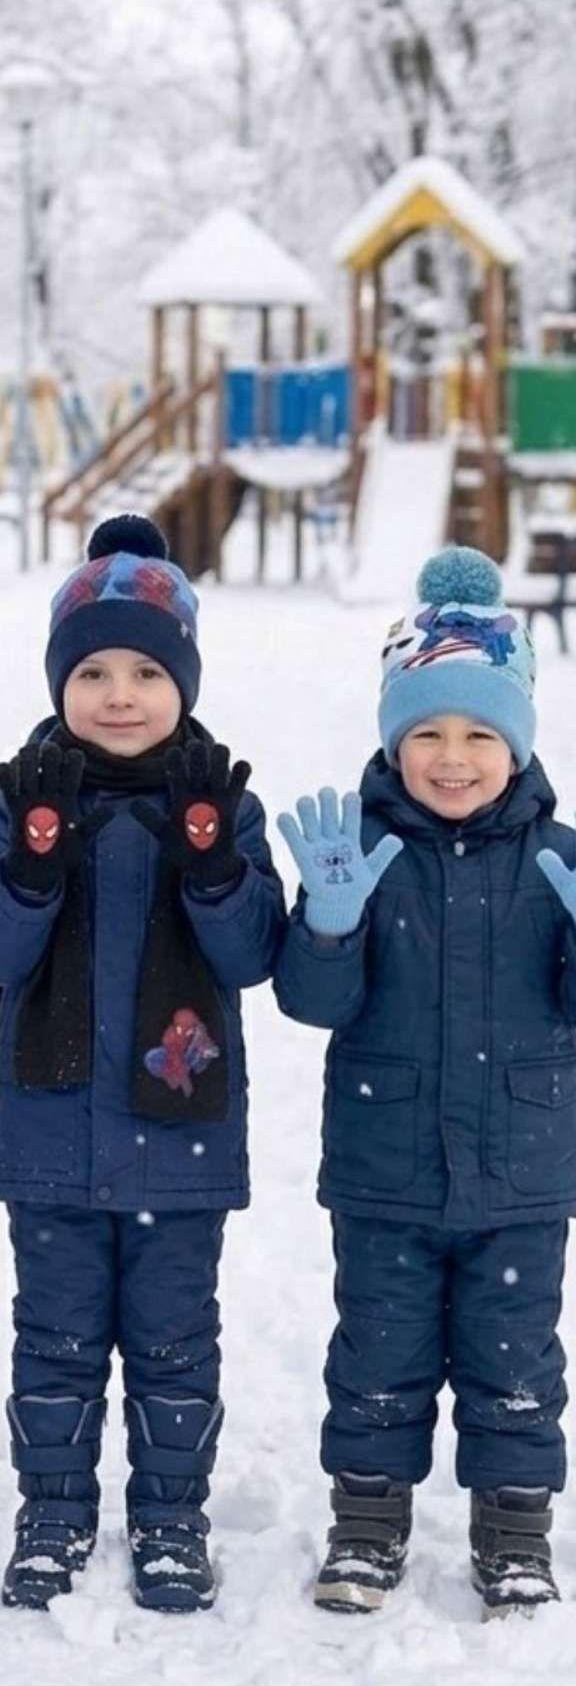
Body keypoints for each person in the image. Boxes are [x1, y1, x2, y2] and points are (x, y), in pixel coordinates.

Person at [0, 513, 283, 1613]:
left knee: (173, 1342)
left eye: (146, 669)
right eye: (91, 669)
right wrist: (36, 857)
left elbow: (250, 953)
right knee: (52, 1339)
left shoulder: (218, 794)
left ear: (182, 680)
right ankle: (50, 1515)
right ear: (60, 679)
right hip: (50, 1129)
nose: (117, 694)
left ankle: (169, 1519)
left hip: (179, 1130)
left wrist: (213, 857)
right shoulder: (22, 790)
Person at [276, 546, 574, 1619]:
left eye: (478, 734)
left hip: (523, 1169)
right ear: (393, 738)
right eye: (426, 734)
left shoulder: (558, 860)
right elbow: (313, 1002)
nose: (452, 758)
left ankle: (512, 1528)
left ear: (517, 741)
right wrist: (324, 922)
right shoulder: (356, 852)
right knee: (377, 1351)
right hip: (385, 1165)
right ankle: (366, 1520)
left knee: (514, 1358)